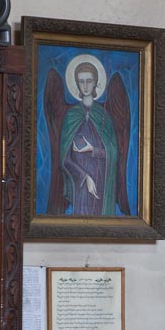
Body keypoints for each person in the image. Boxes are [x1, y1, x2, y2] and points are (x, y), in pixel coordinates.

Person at [60, 61, 121, 215]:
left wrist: (92, 149)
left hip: (102, 181)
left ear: (95, 83)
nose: (85, 86)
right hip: (80, 184)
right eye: (81, 81)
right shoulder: (71, 116)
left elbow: (113, 153)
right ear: (76, 84)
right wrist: (84, 177)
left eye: (89, 81)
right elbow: (65, 159)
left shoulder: (103, 116)